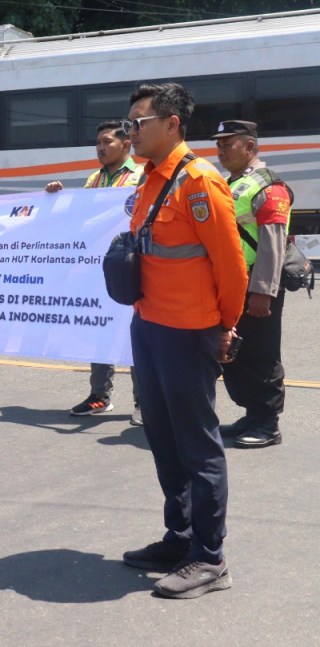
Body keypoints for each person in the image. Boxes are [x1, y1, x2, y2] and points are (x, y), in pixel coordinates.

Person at [120, 83, 246, 599]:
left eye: (139, 122)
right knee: (163, 438)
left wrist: (227, 326)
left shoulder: (199, 183)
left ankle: (210, 559)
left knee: (197, 443)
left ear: (172, 124)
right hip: (149, 326)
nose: (131, 131)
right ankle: (181, 538)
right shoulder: (149, 179)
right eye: (128, 122)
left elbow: (231, 265)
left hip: (189, 330)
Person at [46, 120, 144, 421]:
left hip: (131, 266)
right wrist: (58, 197)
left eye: (106, 142)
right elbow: (81, 219)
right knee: (99, 330)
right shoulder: (94, 180)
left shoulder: (141, 177)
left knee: (134, 336)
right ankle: (99, 396)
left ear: (126, 145)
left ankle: (145, 403)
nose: (100, 148)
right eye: (98, 143)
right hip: (98, 269)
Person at [214, 120, 291, 449]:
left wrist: (263, 292)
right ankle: (251, 413)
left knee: (260, 355)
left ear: (250, 147)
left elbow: (274, 243)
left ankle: (267, 423)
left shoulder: (268, 186)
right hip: (230, 285)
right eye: (218, 144)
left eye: (228, 144)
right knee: (234, 354)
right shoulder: (232, 183)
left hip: (254, 287)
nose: (220, 150)